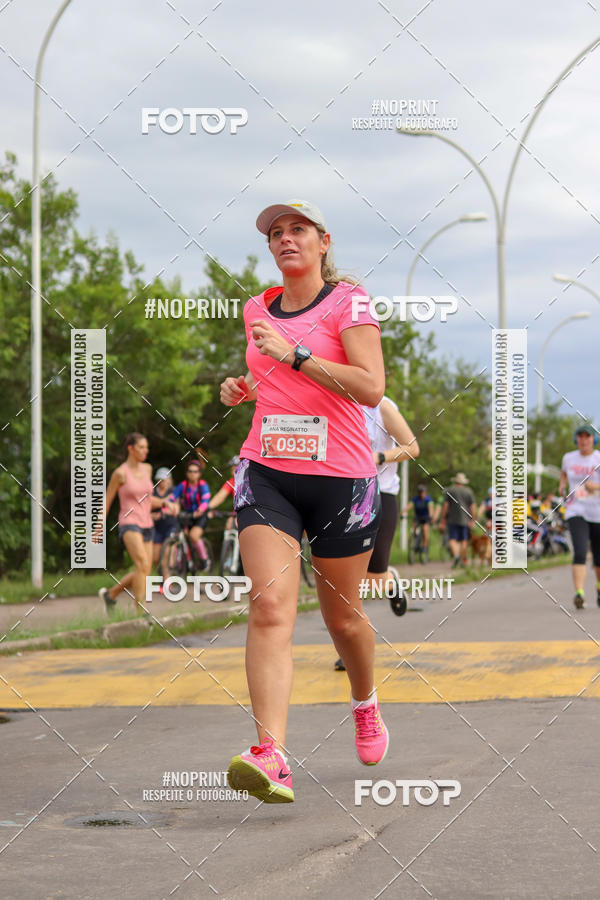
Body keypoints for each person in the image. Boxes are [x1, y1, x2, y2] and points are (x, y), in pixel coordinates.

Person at [221, 198, 387, 804]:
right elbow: (272, 380)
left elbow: (370, 387)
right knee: (269, 609)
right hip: (266, 471)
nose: (285, 239)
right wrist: (243, 387)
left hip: (343, 479)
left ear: (322, 243)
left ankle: (365, 703)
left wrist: (296, 355)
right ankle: (271, 755)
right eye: (276, 233)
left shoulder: (349, 302)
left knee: (343, 618)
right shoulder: (256, 308)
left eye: (298, 230)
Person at [334, 398, 418, 671]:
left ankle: (390, 580)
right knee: (347, 578)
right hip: (343, 495)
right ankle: (350, 649)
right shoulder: (332, 399)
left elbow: (412, 448)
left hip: (382, 493)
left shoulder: (381, 407)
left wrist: (378, 457)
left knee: (375, 576)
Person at [98, 433, 162, 614]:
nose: (145, 451)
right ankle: (141, 614)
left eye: (146, 447)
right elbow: (107, 499)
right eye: (141, 447)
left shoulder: (147, 469)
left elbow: (148, 500)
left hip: (147, 523)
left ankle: (110, 595)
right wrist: (99, 525)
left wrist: (165, 503)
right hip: (129, 522)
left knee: (144, 570)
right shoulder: (120, 473)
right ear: (130, 448)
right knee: (142, 563)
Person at [558, 424, 600, 609]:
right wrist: (562, 486)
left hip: (597, 512)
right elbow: (564, 475)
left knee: (598, 558)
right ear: (577, 439)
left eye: (587, 437)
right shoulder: (568, 457)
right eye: (580, 436)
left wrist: (596, 487)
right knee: (581, 551)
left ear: (593, 439)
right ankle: (579, 593)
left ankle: (598, 588)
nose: (584, 440)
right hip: (576, 510)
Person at [167, 460, 212, 569]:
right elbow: (172, 498)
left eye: (195, 472)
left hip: (200, 515)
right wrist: (166, 507)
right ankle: (184, 562)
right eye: (190, 471)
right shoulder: (182, 486)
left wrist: (200, 510)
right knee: (180, 536)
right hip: (187, 515)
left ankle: (204, 559)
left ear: (199, 473)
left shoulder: (203, 485)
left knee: (194, 536)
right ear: (187, 473)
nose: (192, 474)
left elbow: (206, 500)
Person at [438, 473, 476, 568]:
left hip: (452, 519)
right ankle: (463, 559)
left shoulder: (450, 490)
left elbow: (446, 505)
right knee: (464, 540)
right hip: (465, 520)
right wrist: (473, 519)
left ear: (455, 481)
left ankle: (456, 556)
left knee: (452, 539)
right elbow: (473, 506)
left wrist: (443, 519)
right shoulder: (468, 491)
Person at [151, 467, 178, 566]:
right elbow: (147, 507)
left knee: (167, 554)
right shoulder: (152, 491)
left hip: (171, 525)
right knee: (156, 558)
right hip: (157, 527)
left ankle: (169, 579)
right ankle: (164, 577)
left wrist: (163, 511)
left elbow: (176, 508)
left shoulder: (174, 491)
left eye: (164, 480)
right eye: (160, 480)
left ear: (169, 480)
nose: (162, 482)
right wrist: (152, 515)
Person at [403, 483, 434, 557]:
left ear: (425, 492)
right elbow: (409, 506)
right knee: (412, 528)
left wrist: (430, 516)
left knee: (425, 529)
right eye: (420, 493)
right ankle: (412, 540)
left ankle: (425, 547)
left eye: (422, 492)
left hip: (426, 517)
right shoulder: (415, 499)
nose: (421, 494)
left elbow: (431, 509)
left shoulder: (428, 499)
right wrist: (402, 513)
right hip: (417, 517)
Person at [207, 456, 239, 528]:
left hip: (253, 513)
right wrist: (207, 509)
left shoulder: (250, 480)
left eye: (236, 466)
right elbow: (220, 496)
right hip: (237, 514)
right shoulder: (232, 481)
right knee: (229, 525)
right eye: (232, 467)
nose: (232, 469)